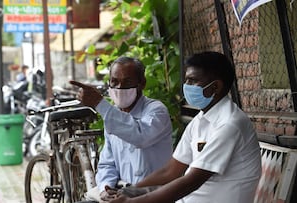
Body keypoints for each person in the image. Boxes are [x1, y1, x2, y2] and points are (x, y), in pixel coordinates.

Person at [107, 51, 262, 203]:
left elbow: (191, 181)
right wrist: (129, 192)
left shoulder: (230, 125)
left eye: (193, 81)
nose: (186, 86)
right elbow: (171, 171)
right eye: (186, 80)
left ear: (215, 87)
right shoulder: (200, 120)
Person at [70, 56, 173, 202]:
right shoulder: (113, 116)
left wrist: (100, 104)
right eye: (114, 82)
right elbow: (107, 163)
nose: (119, 87)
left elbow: (140, 135)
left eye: (127, 82)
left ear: (141, 84)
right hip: (123, 195)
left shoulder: (156, 111)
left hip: (154, 196)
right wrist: (105, 188)